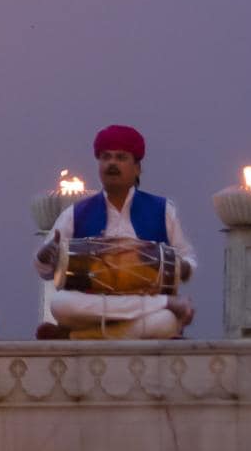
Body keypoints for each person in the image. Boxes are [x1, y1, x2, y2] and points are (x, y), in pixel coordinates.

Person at [35, 125, 196, 338]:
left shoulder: (162, 210)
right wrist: (45, 255)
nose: (112, 163)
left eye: (121, 157)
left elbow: (188, 260)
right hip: (95, 307)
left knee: (165, 322)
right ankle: (164, 303)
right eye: (106, 157)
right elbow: (44, 269)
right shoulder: (77, 213)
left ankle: (77, 337)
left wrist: (181, 267)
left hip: (144, 308)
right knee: (60, 303)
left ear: (137, 168)